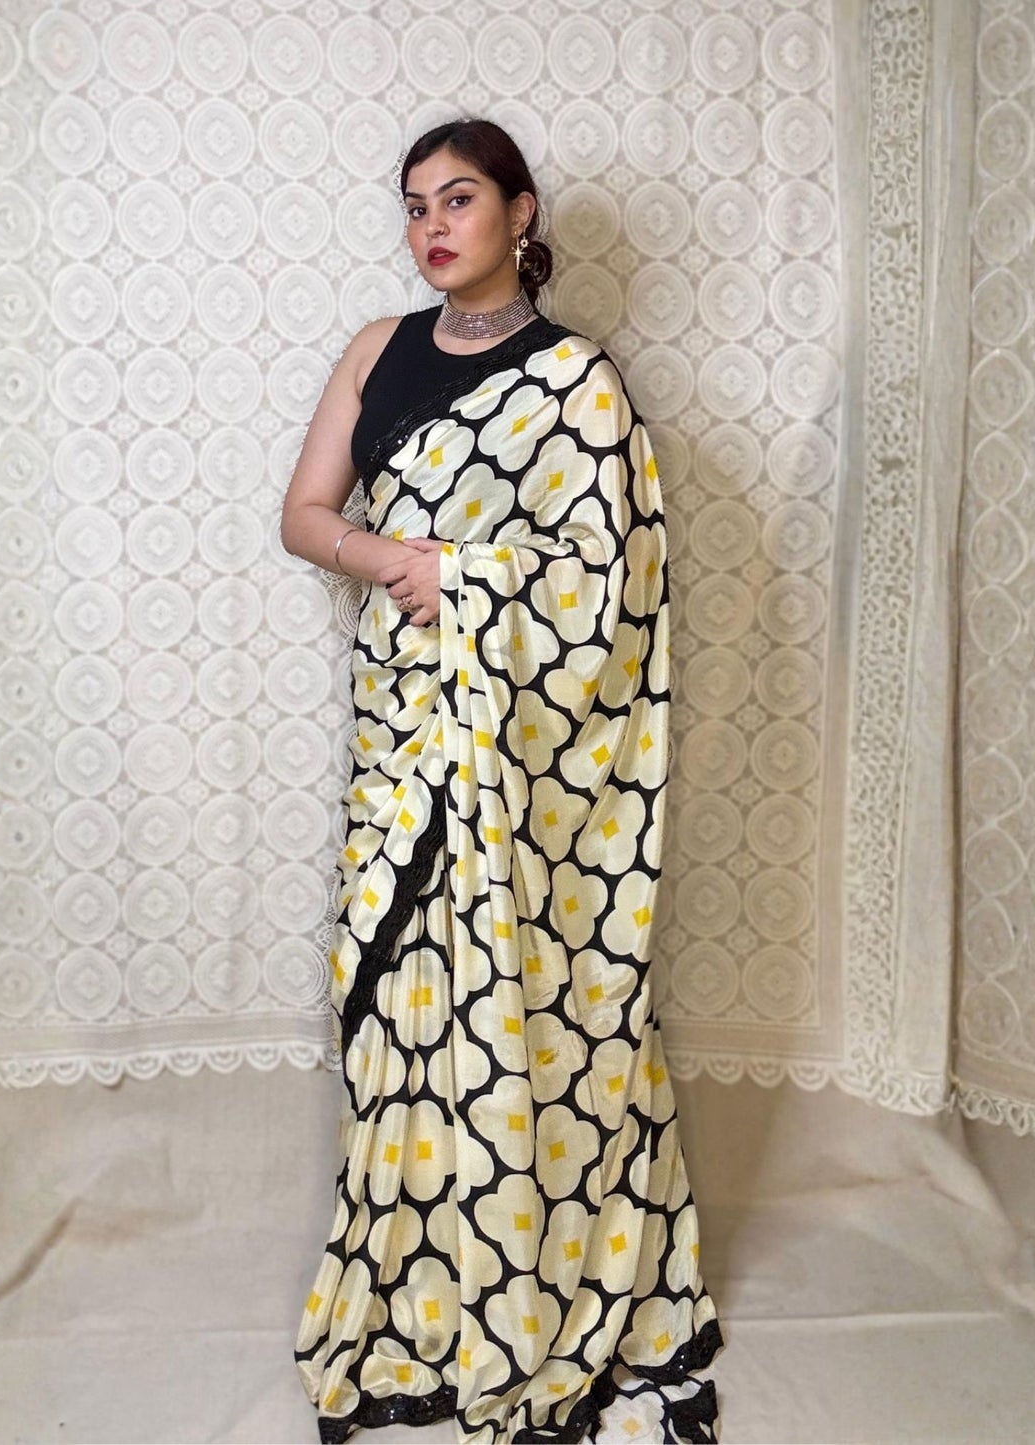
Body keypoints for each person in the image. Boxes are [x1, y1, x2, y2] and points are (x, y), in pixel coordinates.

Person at [281, 117, 724, 1443]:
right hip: (406, 732)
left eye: (458, 197)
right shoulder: (379, 349)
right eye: (412, 202)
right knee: (400, 998)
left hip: (533, 773)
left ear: (519, 213)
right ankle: (426, 1293)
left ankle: (550, 1290)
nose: (431, 223)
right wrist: (406, 564)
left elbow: (613, 583)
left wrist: (459, 580)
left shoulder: (577, 383)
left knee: (545, 1002)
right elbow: (307, 515)